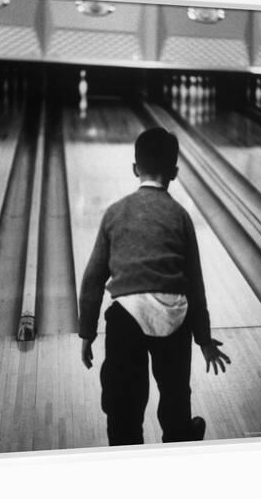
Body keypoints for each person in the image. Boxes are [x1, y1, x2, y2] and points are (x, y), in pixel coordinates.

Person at [78, 127, 231, 446]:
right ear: (174, 172)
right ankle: (181, 435)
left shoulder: (114, 213)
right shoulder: (180, 216)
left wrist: (87, 333)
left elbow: (92, 280)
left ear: (135, 169)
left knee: (123, 409)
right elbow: (195, 285)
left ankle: (125, 449)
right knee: (175, 399)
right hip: (173, 318)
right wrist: (203, 339)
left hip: (126, 318)